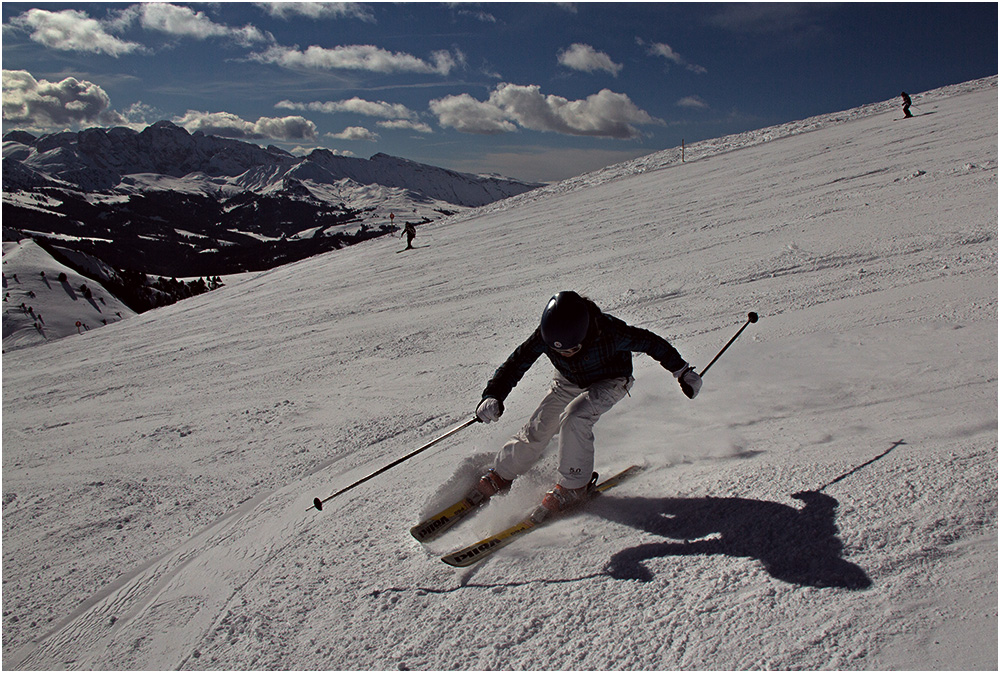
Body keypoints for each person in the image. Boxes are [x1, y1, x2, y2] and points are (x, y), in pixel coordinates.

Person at [473, 291, 702, 520]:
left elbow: (651, 343)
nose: (566, 354)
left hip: (611, 380)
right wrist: (493, 395)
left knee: (575, 418)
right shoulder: (545, 336)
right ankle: (503, 473)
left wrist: (682, 371)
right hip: (568, 380)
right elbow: (516, 363)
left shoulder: (611, 332)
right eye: (559, 351)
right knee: (541, 424)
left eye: (571, 350)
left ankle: (574, 486)